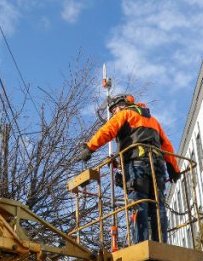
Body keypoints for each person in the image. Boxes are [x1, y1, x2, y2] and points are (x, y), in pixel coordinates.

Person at [76, 94, 181, 244]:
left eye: (114, 109)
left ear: (122, 105)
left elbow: (108, 130)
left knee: (138, 203)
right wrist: (174, 169)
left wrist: (89, 148)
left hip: (137, 166)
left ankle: (142, 244)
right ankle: (161, 244)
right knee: (157, 205)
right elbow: (167, 146)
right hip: (157, 166)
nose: (114, 113)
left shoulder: (125, 114)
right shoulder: (153, 121)